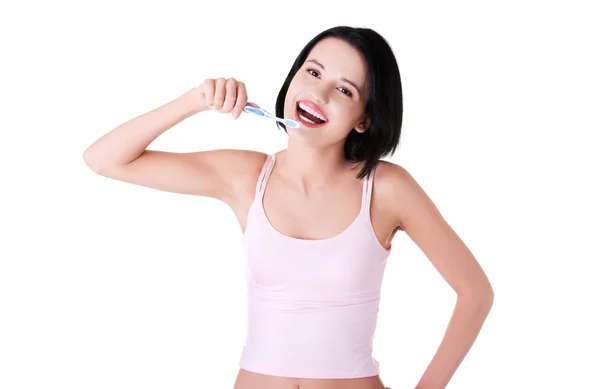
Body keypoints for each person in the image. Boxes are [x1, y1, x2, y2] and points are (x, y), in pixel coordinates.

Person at [83, 26, 494, 389]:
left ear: (364, 119)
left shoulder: (386, 188)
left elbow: (475, 293)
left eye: (344, 89)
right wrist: (195, 101)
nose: (318, 93)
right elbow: (104, 159)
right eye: (312, 73)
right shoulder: (245, 176)